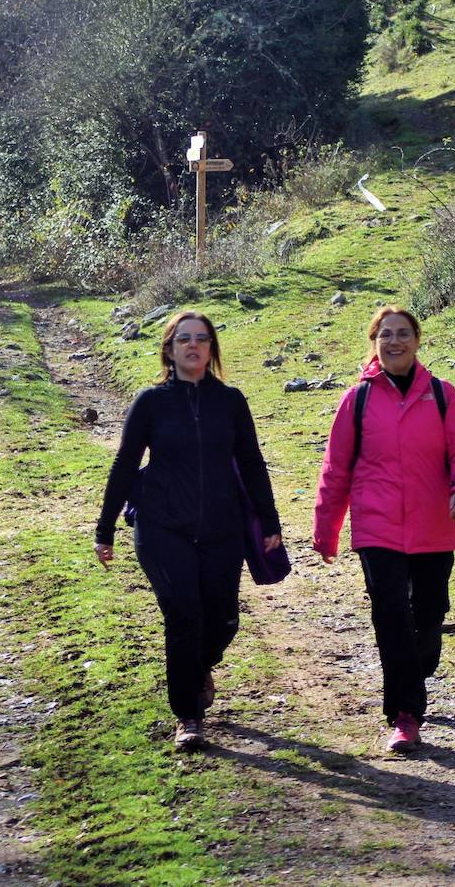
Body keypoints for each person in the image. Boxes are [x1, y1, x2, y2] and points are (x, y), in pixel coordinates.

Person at [95, 310, 283, 751]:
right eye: (184, 339)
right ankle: (188, 716)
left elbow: (252, 463)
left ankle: (197, 669)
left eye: (201, 339)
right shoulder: (150, 402)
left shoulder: (231, 401)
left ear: (212, 349)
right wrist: (105, 529)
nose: (193, 346)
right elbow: (124, 465)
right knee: (183, 614)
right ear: (170, 348)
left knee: (222, 620)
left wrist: (270, 522)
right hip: (161, 526)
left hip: (222, 527)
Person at [312, 305, 455, 752]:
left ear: (417, 340)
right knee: (390, 616)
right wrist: (326, 528)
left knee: (428, 614)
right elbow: (336, 468)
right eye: (385, 334)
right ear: (374, 342)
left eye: (402, 333)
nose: (394, 341)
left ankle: (419, 664)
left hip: (433, 523)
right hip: (377, 527)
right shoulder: (358, 399)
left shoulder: (442, 394)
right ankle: (405, 715)